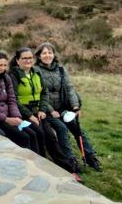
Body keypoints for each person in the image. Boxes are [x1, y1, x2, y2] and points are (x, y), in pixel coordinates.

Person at [9, 47, 78, 179]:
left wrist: (42, 109)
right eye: (24, 58)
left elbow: (44, 93)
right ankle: (42, 169)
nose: (28, 60)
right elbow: (14, 99)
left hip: (38, 112)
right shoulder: (13, 75)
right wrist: (29, 115)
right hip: (23, 112)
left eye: (30, 58)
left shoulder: (36, 72)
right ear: (18, 60)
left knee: (51, 136)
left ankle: (68, 169)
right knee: (40, 134)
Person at [34, 42, 101, 171]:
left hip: (62, 107)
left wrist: (75, 106)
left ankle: (90, 157)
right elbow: (39, 93)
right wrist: (51, 110)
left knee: (78, 130)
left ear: (54, 55)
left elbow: (70, 89)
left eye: (50, 53)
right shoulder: (36, 70)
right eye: (44, 53)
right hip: (46, 110)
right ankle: (70, 159)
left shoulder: (61, 69)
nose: (47, 55)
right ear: (39, 56)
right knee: (63, 130)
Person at [0, 52, 45, 152]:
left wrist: (16, 116)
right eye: (0, 65)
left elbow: (12, 99)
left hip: (9, 115)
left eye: (5, 65)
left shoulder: (5, 77)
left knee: (34, 133)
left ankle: (40, 161)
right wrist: (6, 119)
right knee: (24, 137)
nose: (2, 68)